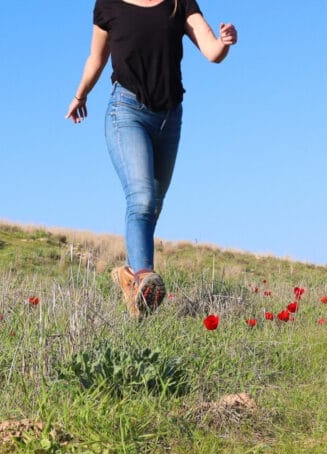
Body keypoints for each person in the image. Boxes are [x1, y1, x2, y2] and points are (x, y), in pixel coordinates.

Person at [66, 0, 237, 318]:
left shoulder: (179, 2)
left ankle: (131, 279)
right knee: (141, 198)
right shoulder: (108, 5)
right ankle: (144, 277)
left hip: (169, 117)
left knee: (154, 204)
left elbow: (211, 51)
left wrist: (225, 43)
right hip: (126, 111)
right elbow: (96, 57)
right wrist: (80, 95)